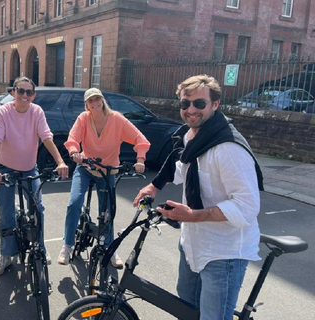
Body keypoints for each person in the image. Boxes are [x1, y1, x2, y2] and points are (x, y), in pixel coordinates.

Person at [133, 74, 264, 320]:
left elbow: (247, 206)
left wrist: (192, 215)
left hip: (223, 253)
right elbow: (183, 167)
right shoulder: (193, 136)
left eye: (199, 103)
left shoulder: (228, 149)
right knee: (187, 306)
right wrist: (154, 185)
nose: (191, 110)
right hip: (193, 245)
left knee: (212, 316)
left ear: (215, 104)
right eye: (185, 104)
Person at [57, 88, 150, 267]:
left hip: (108, 170)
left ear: (103, 100)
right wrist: (74, 151)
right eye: (91, 101)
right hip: (85, 166)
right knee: (74, 202)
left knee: (107, 212)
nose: (95, 103)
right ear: (87, 105)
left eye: (97, 99)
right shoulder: (83, 119)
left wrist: (140, 159)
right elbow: (73, 138)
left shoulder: (117, 119)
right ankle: (67, 245)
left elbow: (140, 139)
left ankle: (110, 249)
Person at [0, 76, 69, 277]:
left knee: (37, 208)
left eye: (29, 92)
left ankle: (40, 246)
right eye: (20, 91)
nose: (24, 95)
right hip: (5, 168)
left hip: (29, 168)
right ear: (13, 92)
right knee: (6, 212)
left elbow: (47, 137)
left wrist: (60, 162)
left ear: (33, 95)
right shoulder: (2, 113)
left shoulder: (36, 111)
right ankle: (6, 254)